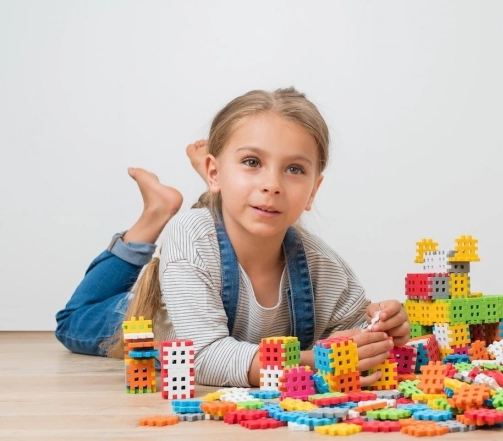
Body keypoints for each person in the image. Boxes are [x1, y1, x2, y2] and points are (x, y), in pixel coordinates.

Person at [55, 87, 410, 387]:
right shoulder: (190, 237)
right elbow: (204, 357)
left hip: (205, 255)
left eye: (294, 169)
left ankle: (228, 189)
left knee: (236, 208)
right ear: (214, 170)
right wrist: (317, 361)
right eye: (253, 161)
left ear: (313, 191)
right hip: (156, 312)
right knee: (73, 320)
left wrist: (382, 330)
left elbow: (355, 331)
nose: (272, 184)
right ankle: (155, 215)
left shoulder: (322, 265)